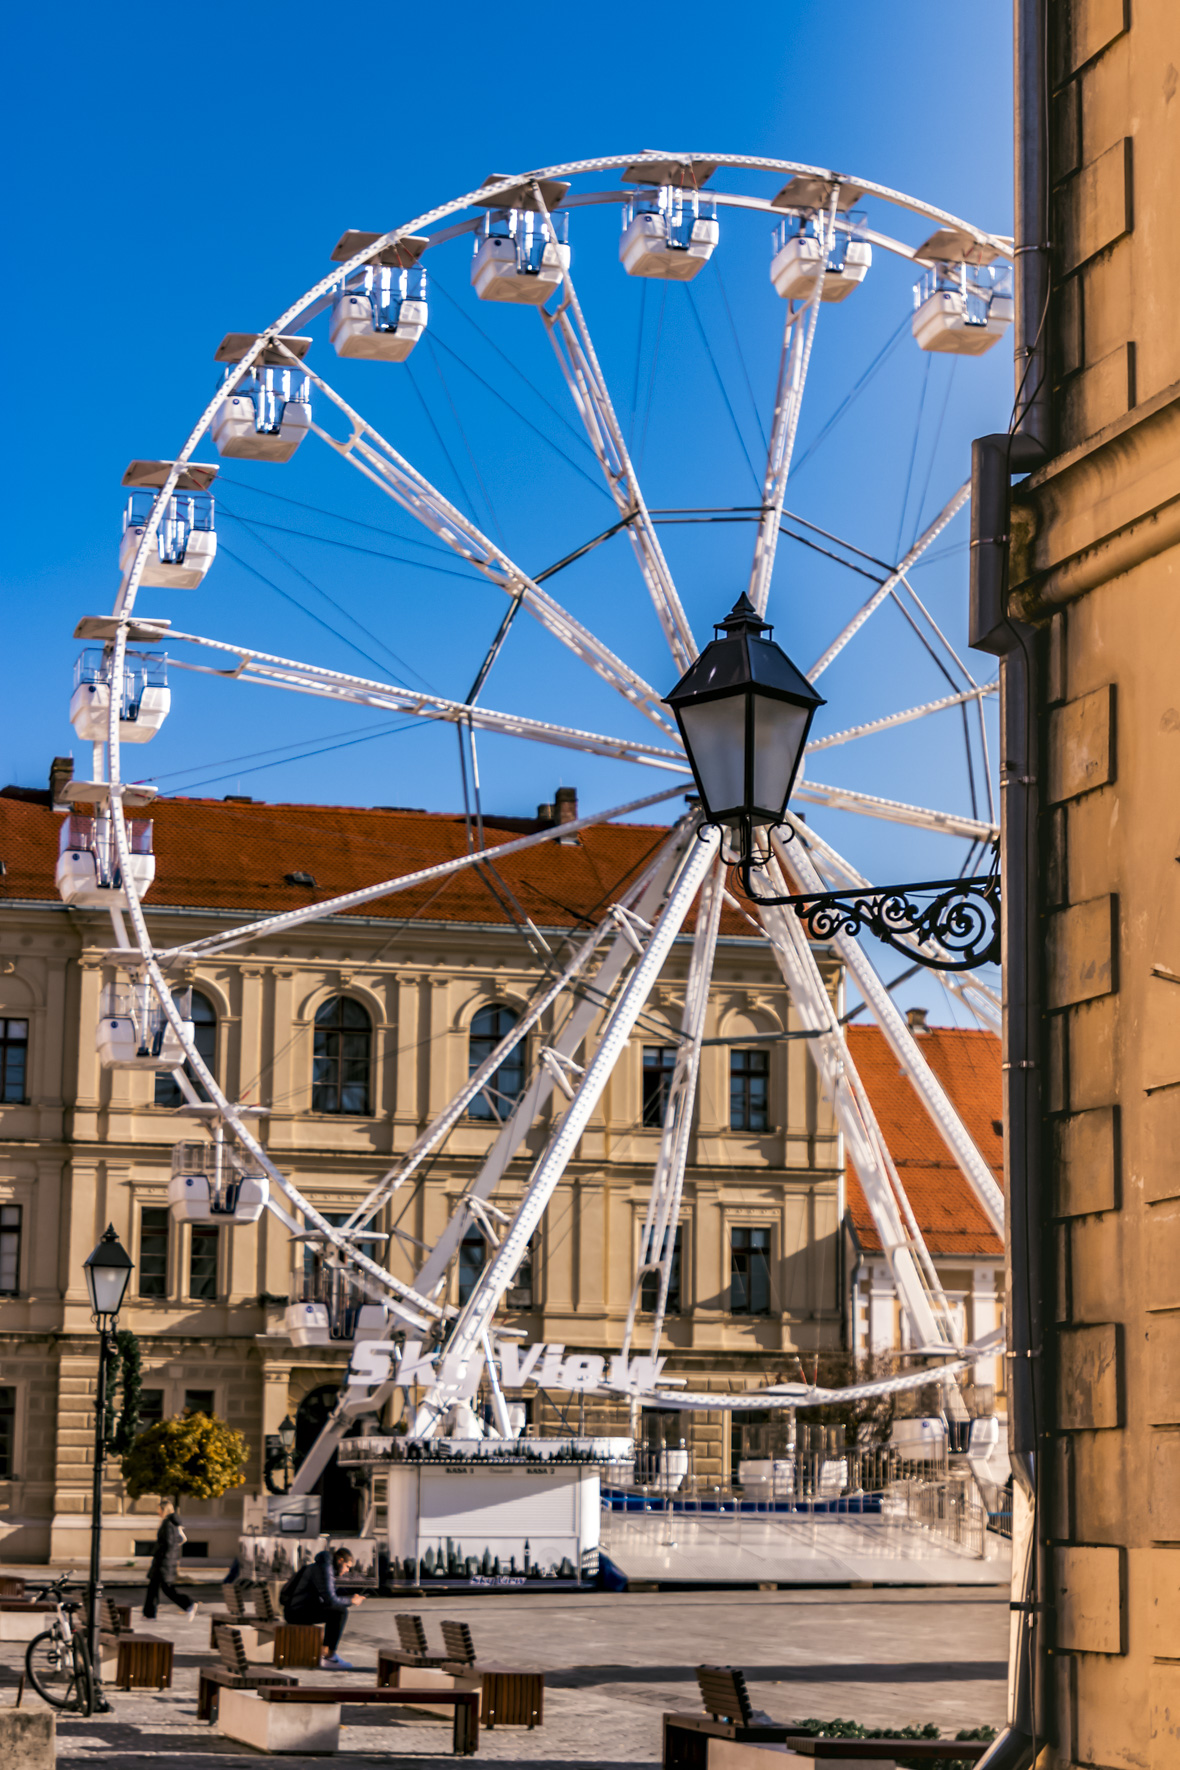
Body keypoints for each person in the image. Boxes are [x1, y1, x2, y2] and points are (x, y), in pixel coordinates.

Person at [283, 1545, 365, 1669]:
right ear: (340, 1561)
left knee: (337, 1611)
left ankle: (327, 1654)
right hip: (296, 1613)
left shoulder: (322, 1566)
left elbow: (330, 1593)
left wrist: (350, 1595)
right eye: (347, 1566)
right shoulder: (325, 1568)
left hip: (295, 1610)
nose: (347, 1570)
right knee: (340, 1612)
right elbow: (330, 1601)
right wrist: (351, 1600)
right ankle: (329, 1657)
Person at [142, 1497, 199, 1621]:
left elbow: (168, 1544)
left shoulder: (168, 1524)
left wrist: (158, 1552)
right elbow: (178, 1540)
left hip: (163, 1562)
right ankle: (149, 1614)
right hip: (165, 1561)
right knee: (154, 1587)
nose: (158, 1512)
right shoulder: (171, 1523)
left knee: (165, 1588)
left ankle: (189, 1603)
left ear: (164, 1510)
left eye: (159, 1510)